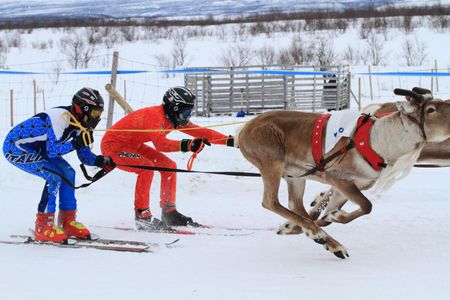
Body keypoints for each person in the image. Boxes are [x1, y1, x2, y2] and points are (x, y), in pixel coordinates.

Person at [101, 86, 234, 232]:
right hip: (113, 147)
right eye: (185, 112)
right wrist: (188, 145)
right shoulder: (154, 116)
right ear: (174, 108)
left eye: (189, 112)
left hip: (133, 145)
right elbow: (161, 145)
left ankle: (169, 212)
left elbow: (200, 131)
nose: (187, 116)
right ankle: (142, 216)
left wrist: (229, 141)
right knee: (146, 168)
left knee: (169, 165)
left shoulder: (174, 118)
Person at [2, 87, 116, 243]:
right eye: (95, 113)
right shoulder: (59, 118)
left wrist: (100, 161)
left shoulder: (79, 123)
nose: (96, 118)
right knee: (53, 177)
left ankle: (67, 221)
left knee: (69, 173)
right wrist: (76, 143)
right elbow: (52, 151)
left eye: (99, 114)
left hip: (39, 149)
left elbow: (84, 156)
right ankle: (43, 226)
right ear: (82, 108)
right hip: (16, 148)